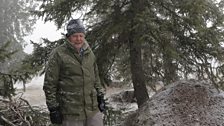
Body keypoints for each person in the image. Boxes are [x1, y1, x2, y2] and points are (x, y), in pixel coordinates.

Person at [43, 19, 106, 126]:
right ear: (69, 37)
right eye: (75, 36)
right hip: (70, 112)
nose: (78, 39)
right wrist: (53, 108)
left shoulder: (89, 53)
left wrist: (100, 96)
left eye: (81, 36)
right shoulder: (59, 54)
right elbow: (50, 84)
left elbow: (95, 77)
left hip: (92, 110)